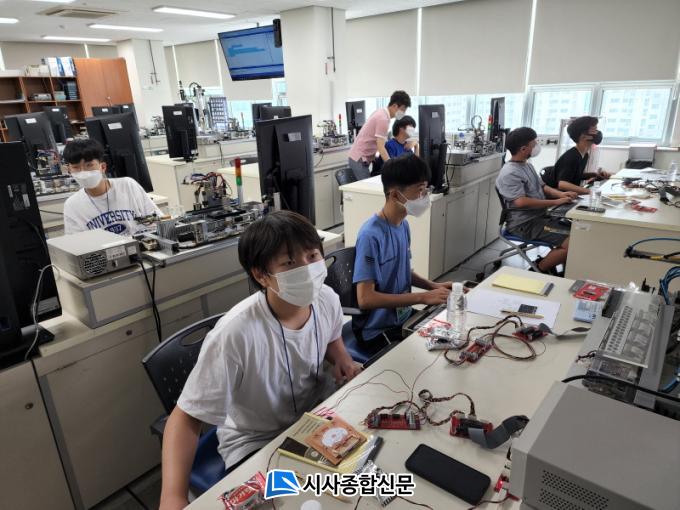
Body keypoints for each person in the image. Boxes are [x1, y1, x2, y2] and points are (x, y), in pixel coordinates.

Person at [159, 211, 361, 510]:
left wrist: (342, 357)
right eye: (289, 263)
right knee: (307, 502)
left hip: (317, 418)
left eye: (312, 255)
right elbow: (186, 417)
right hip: (258, 441)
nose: (308, 269)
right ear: (261, 275)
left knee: (364, 476)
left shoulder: (326, 298)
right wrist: (172, 497)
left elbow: (332, 337)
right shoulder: (235, 334)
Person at [353, 154, 451, 343]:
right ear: (395, 195)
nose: (425, 196)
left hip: (403, 318)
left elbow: (402, 270)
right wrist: (422, 297)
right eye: (420, 190)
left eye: (426, 189)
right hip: (378, 329)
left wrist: (433, 286)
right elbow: (365, 298)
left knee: (449, 335)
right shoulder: (370, 235)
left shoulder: (402, 225)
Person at [496, 127, 578, 274]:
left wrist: (561, 194)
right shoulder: (510, 172)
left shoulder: (527, 165)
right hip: (524, 224)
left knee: (579, 232)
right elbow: (520, 202)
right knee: (573, 242)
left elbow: (543, 186)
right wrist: (555, 202)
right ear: (523, 149)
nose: (537, 147)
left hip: (540, 217)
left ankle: (560, 267)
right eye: (534, 144)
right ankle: (538, 269)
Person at [62, 138, 162, 235]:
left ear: (102, 167)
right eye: (76, 167)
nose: (83, 172)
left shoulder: (127, 186)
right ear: (69, 170)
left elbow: (157, 220)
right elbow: (76, 242)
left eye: (89, 165)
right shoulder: (72, 205)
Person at [347, 90, 411, 179]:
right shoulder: (383, 119)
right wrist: (391, 167)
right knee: (366, 186)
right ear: (395, 106)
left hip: (360, 157)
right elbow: (381, 147)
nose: (404, 113)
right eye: (403, 110)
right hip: (359, 158)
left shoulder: (381, 113)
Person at [541, 116, 611, 195]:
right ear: (583, 136)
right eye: (594, 130)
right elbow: (562, 184)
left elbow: (575, 175)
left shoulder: (584, 155)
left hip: (569, 195)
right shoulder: (571, 157)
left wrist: (595, 175)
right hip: (558, 196)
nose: (598, 133)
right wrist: (588, 191)